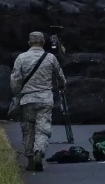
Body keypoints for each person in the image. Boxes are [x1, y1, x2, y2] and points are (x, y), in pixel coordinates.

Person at [11, 31, 67, 172]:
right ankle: (39, 151)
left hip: (27, 100)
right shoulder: (50, 58)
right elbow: (60, 76)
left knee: (28, 130)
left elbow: (15, 80)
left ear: (29, 43)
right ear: (43, 43)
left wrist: (17, 93)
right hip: (45, 99)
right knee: (42, 129)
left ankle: (30, 160)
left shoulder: (21, 58)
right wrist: (62, 85)